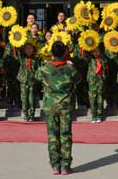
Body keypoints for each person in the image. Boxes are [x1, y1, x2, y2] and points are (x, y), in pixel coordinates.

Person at [35, 41, 78, 175]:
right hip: (65, 106)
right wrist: (72, 65)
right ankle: (65, 165)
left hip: (50, 106)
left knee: (52, 135)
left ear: (52, 53)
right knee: (65, 135)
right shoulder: (70, 68)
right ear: (65, 52)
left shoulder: (45, 68)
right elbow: (78, 79)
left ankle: (55, 165)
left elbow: (36, 77)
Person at [16, 42, 40, 121]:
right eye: (26, 49)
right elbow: (18, 51)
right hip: (24, 80)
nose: (28, 50)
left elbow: (38, 69)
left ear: (33, 50)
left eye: (30, 48)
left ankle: (32, 114)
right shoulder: (22, 58)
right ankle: (25, 114)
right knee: (24, 98)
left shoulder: (36, 59)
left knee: (31, 98)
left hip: (32, 81)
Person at [87, 48, 108, 123]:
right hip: (92, 82)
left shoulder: (103, 60)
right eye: (94, 51)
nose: (96, 53)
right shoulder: (90, 60)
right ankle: (93, 116)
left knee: (100, 99)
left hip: (100, 82)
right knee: (92, 99)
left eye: (97, 51)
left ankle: (99, 115)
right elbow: (86, 54)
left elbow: (105, 70)